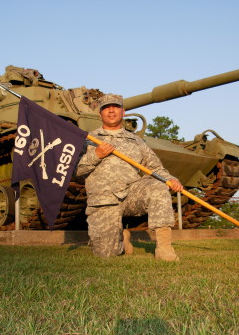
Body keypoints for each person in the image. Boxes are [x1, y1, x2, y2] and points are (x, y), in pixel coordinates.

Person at [75, 94, 183, 261]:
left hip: (131, 195)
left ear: (123, 112)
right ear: (100, 113)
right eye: (106, 108)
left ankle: (164, 249)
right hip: (103, 201)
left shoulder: (136, 141)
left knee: (158, 187)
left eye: (116, 107)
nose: (111, 110)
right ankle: (122, 239)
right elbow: (76, 171)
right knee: (106, 254)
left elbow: (155, 168)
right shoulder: (88, 140)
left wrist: (171, 179)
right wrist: (95, 155)